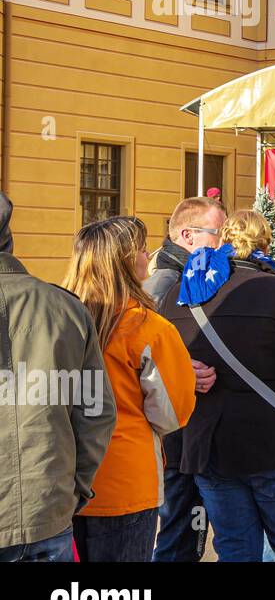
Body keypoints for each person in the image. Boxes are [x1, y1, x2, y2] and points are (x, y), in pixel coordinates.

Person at [160, 210, 275, 562]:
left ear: (224, 242)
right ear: (265, 244)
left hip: (210, 448)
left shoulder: (184, 292)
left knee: (235, 550)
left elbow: (160, 364)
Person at [63, 217, 196, 562]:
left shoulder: (59, 319)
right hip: (126, 480)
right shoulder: (148, 327)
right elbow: (173, 413)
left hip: (61, 478)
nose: (147, 254)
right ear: (123, 261)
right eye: (140, 249)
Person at [0, 193, 117, 562]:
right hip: (47, 506)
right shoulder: (65, 307)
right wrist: (75, 489)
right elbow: (96, 412)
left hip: (48, 508)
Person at [145, 196, 224, 562]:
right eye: (217, 233)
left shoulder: (194, 274)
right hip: (175, 433)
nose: (223, 242)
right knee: (178, 529)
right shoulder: (164, 281)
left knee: (190, 527)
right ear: (188, 235)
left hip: (191, 427)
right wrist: (180, 369)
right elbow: (139, 350)